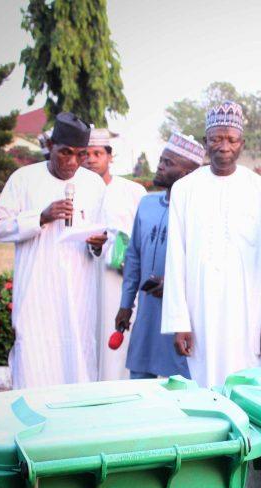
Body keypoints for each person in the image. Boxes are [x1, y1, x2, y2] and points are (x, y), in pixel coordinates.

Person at [162, 101, 261, 387]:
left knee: (249, 386)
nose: (223, 146)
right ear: (206, 142)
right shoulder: (185, 189)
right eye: (216, 138)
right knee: (204, 387)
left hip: (250, 311)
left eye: (231, 139)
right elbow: (176, 257)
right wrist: (179, 321)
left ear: (241, 143)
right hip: (200, 310)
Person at [0, 112, 107, 389]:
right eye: (65, 152)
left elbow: (102, 236)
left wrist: (98, 244)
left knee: (77, 360)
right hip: (36, 295)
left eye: (81, 155)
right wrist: (40, 217)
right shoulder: (23, 179)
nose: (72, 162)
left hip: (78, 294)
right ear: (50, 145)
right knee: (34, 360)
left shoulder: (94, 184)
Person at [115, 133, 203, 379]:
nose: (160, 166)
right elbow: (133, 258)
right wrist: (125, 305)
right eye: (161, 159)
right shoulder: (147, 203)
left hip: (182, 318)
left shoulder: (198, 212)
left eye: (168, 162)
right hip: (147, 315)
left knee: (185, 390)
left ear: (186, 175)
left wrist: (175, 288)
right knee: (139, 384)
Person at [82, 127, 147, 380]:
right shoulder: (78, 192)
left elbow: (142, 233)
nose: (91, 159)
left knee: (121, 332)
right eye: (86, 154)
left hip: (123, 277)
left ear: (110, 157)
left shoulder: (133, 191)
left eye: (97, 153)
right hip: (88, 275)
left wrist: (120, 247)